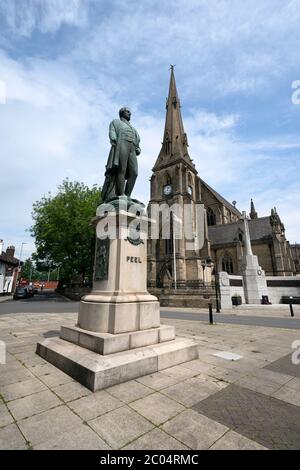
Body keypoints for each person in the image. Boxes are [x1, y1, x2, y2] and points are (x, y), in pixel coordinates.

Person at [101, 107, 141, 202]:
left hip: (132, 148)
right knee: (121, 169)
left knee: (134, 173)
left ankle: (128, 195)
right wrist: (114, 138)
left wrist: (138, 147)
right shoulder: (115, 122)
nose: (130, 113)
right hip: (121, 143)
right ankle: (121, 194)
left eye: (130, 112)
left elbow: (137, 140)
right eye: (128, 112)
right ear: (122, 113)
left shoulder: (133, 128)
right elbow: (112, 131)